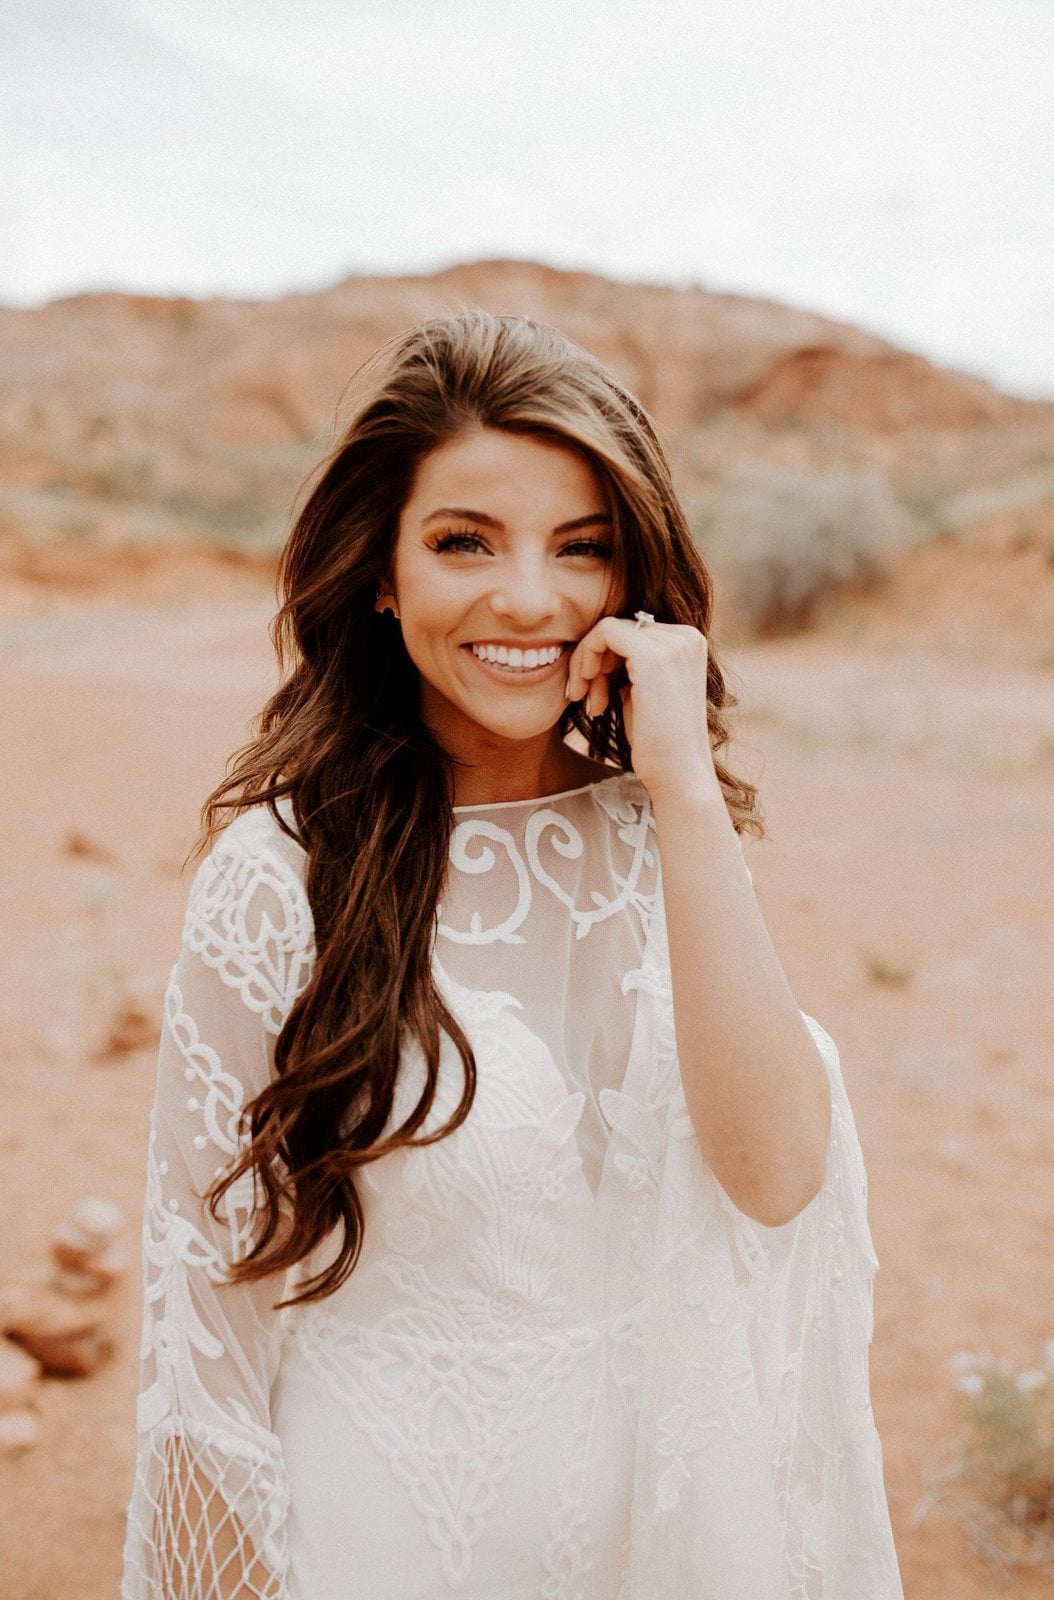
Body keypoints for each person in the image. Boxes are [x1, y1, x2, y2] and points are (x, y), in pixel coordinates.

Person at [122, 310, 903, 1599]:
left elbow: (774, 1176)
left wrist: (685, 794)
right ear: (380, 572)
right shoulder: (278, 877)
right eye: (463, 542)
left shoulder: (666, 840)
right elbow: (206, 1332)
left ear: (633, 580)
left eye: (582, 549)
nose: (530, 598)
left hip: (659, 1538)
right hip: (385, 1539)